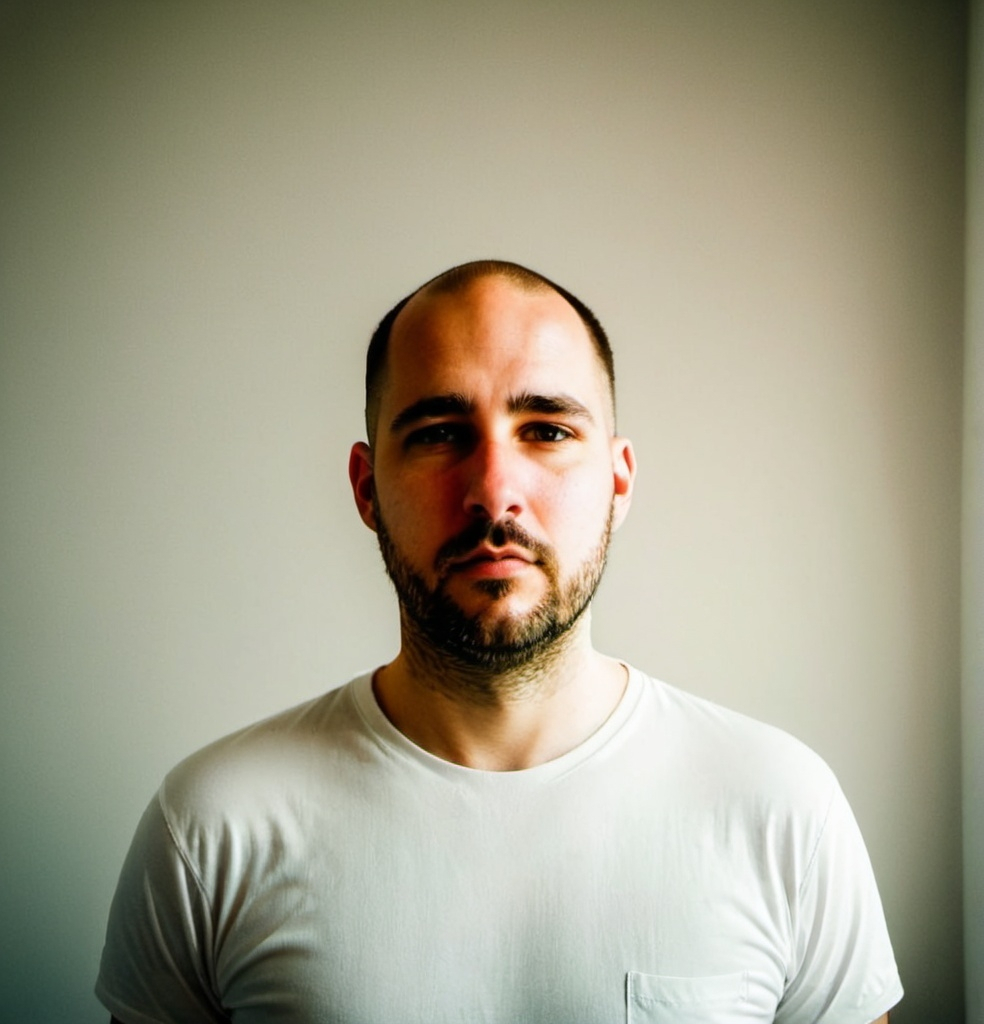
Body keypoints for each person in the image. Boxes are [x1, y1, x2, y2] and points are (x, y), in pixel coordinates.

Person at [96, 259, 903, 1023]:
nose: (494, 491)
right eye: (441, 433)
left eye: (547, 430)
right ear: (366, 487)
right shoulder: (211, 827)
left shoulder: (781, 810)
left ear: (618, 483)